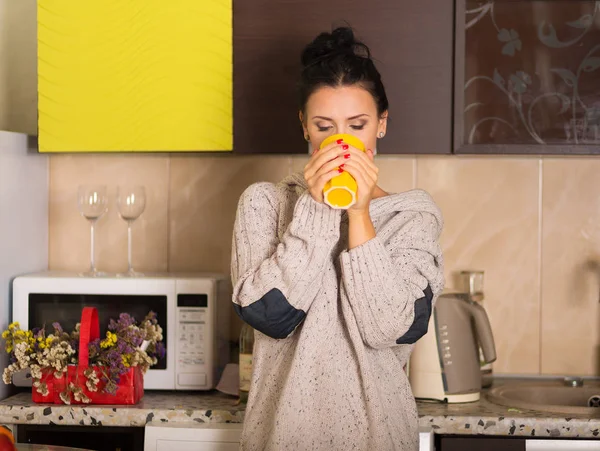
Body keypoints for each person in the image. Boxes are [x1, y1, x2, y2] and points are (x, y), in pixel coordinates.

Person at [231, 26, 445, 451]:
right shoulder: (264, 204)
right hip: (282, 438)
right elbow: (270, 316)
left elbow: (388, 329)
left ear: (381, 125)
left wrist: (359, 211)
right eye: (324, 127)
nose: (340, 142)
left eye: (357, 126)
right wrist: (317, 206)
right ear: (305, 127)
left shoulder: (412, 219)